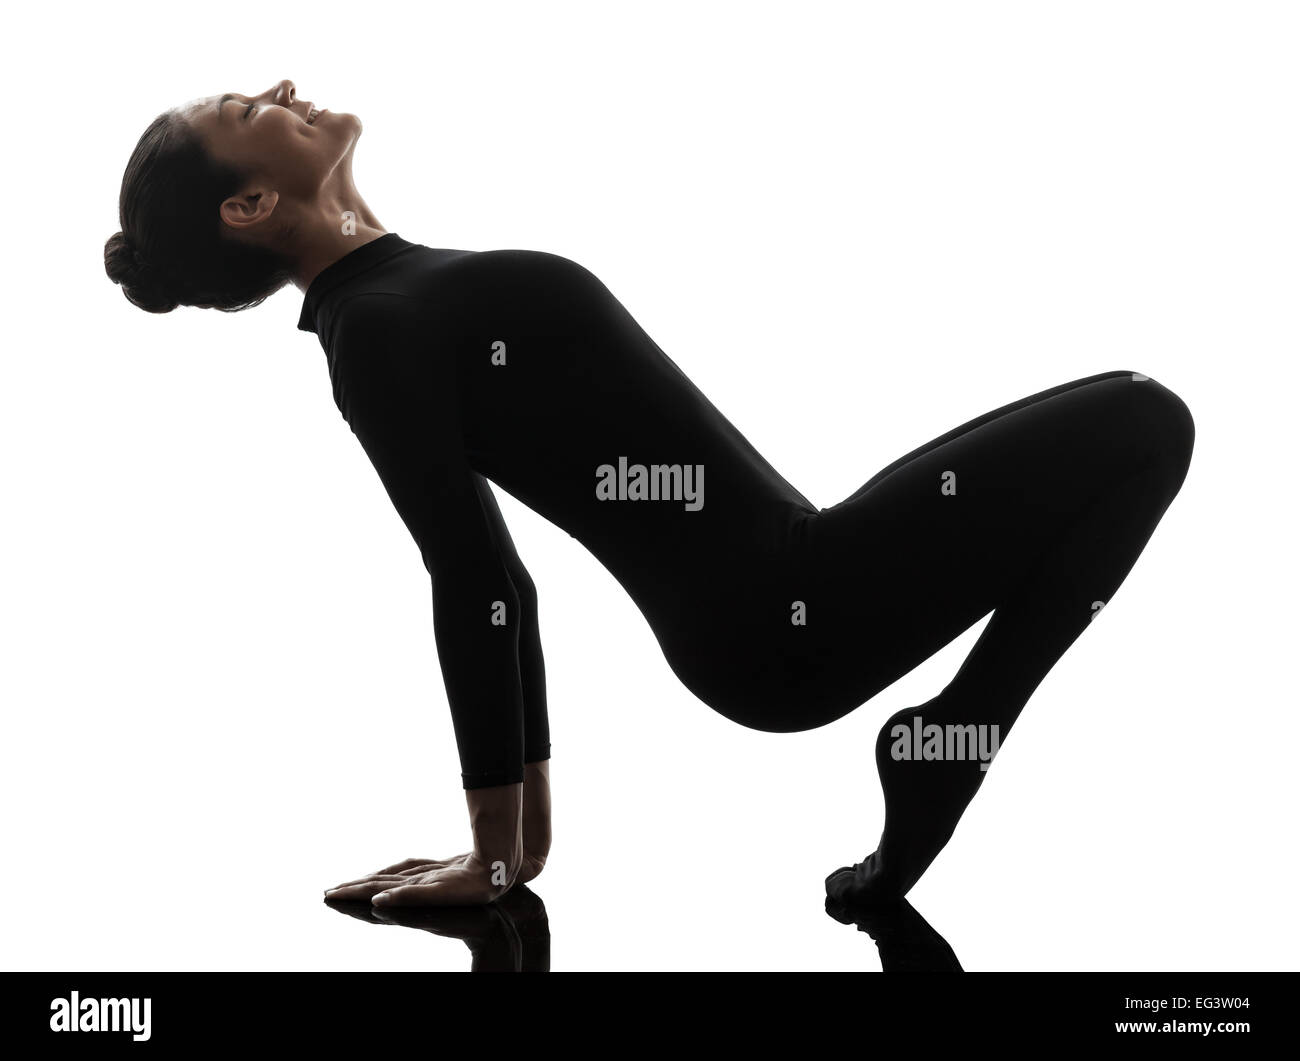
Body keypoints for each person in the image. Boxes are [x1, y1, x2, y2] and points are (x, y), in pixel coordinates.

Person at [104, 80, 1194, 910]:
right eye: (250, 106)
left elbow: (502, 585)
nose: (284, 89)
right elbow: (477, 578)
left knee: (1135, 424)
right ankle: (955, 740)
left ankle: (949, 739)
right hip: (777, 619)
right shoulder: (375, 331)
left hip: (798, 580)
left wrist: (518, 846)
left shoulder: (399, 288)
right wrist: (498, 847)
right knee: (1145, 419)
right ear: (250, 202)